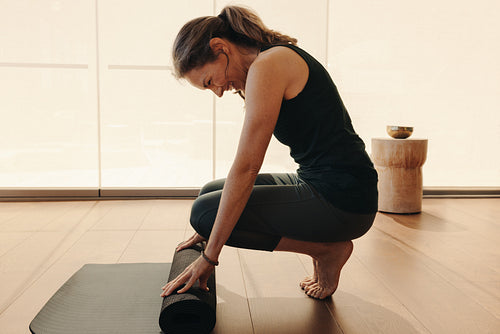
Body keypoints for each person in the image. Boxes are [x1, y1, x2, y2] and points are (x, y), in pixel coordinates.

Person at [161, 5, 378, 300]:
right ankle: (323, 245)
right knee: (209, 194)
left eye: (210, 81)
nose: (219, 92)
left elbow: (247, 166)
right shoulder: (271, 58)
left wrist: (209, 255)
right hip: (328, 183)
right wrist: (211, 224)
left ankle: (327, 249)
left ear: (220, 47)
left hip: (344, 199)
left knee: (205, 212)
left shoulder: (269, 65)